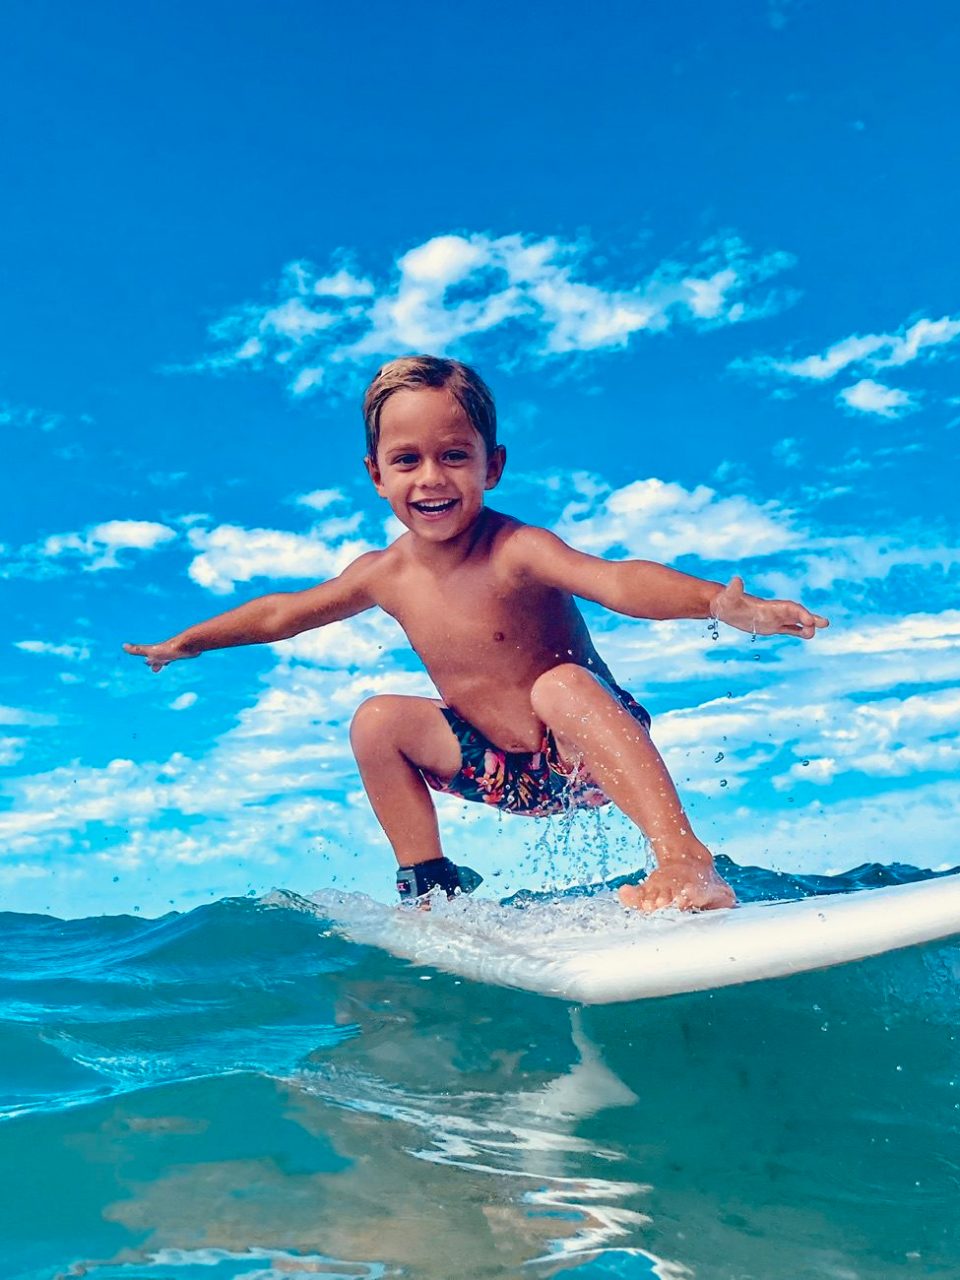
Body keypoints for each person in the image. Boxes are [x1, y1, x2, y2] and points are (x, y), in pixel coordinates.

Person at [125, 356, 828, 912]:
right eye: (407, 460)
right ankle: (433, 889)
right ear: (376, 475)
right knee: (376, 722)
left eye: (454, 456)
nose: (431, 477)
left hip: (588, 745)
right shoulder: (383, 574)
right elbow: (283, 613)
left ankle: (682, 858)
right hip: (503, 771)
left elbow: (616, 581)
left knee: (558, 683)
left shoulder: (517, 548)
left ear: (492, 465)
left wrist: (719, 603)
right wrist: (190, 642)